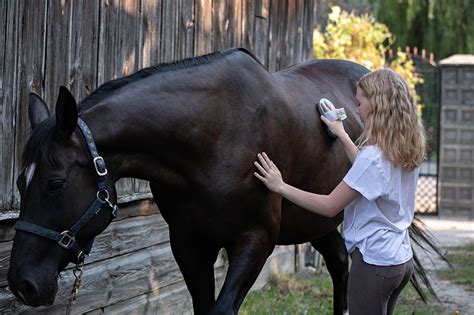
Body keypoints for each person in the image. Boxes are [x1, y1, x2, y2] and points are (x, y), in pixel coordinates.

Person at [254, 68, 426, 315]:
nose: (356, 110)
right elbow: (371, 175)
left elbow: (329, 206)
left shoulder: (374, 157)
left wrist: (280, 186)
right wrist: (342, 135)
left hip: (374, 264)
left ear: (377, 105)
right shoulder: (404, 148)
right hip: (399, 260)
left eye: (359, 102)